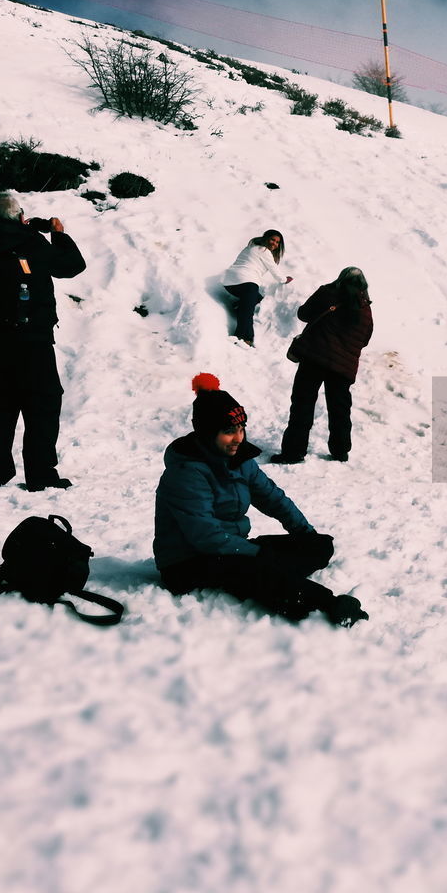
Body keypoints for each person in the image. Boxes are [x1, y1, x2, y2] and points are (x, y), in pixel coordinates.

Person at [153, 373, 368, 626]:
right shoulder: (187, 473)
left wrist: (304, 534)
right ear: (207, 432)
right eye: (229, 431)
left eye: (241, 429)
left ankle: (275, 575)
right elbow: (206, 536)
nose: (238, 438)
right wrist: (257, 555)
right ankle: (326, 604)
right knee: (258, 569)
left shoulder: (239, 460)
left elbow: (272, 498)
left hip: (229, 548)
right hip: (188, 562)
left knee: (319, 546)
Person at [0, 190, 87, 491]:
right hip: (32, 341)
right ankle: (40, 474)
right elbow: (71, 266)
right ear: (19, 214)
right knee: (42, 405)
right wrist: (58, 234)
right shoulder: (31, 241)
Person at [272, 267, 373, 464]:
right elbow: (366, 339)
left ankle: (293, 452)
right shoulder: (365, 309)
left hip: (314, 359)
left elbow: (303, 314)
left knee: (303, 404)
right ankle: (340, 451)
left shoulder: (328, 293)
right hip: (343, 367)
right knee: (340, 409)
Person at [222, 229, 291, 347]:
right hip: (247, 282)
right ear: (266, 238)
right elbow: (275, 271)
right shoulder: (264, 251)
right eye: (272, 240)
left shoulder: (250, 247)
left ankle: (238, 307)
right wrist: (285, 280)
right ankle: (243, 338)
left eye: (277, 242)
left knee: (256, 299)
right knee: (248, 312)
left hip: (229, 282)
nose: (274, 243)